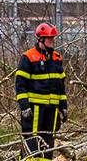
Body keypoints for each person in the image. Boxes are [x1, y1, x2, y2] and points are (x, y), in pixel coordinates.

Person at [15, 22, 67, 160]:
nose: (51, 41)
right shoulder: (28, 57)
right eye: (49, 38)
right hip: (34, 110)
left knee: (48, 141)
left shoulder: (57, 58)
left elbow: (61, 86)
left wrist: (63, 107)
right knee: (32, 141)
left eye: (52, 38)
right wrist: (24, 106)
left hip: (51, 110)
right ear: (40, 39)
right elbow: (20, 85)